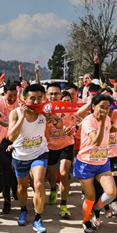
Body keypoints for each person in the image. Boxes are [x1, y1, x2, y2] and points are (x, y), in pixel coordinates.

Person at [8, 84, 62, 233]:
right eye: (33, 98)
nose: (36, 101)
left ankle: (38, 218)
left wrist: (53, 120)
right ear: (25, 98)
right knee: (22, 187)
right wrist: (22, 117)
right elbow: (11, 136)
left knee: (38, 184)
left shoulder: (45, 111)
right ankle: (23, 210)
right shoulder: (16, 113)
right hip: (20, 156)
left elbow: (60, 125)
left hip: (40, 153)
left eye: (40, 98)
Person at [74, 94, 117, 233]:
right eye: (101, 107)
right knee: (90, 197)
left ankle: (97, 208)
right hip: (86, 164)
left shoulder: (107, 119)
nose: (105, 111)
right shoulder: (88, 121)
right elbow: (96, 141)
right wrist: (101, 123)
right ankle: (86, 221)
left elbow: (110, 128)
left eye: (107, 108)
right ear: (93, 107)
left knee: (111, 192)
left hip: (102, 163)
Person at [45, 83, 76, 218]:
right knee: (52, 176)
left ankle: (63, 205)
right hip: (50, 146)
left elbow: (80, 120)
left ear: (60, 94)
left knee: (63, 173)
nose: (53, 96)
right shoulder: (42, 109)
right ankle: (53, 189)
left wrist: (74, 128)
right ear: (47, 95)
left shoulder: (68, 107)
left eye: (56, 93)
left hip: (66, 144)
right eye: (51, 94)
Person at [0, 83, 19, 214]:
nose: (12, 98)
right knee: (6, 169)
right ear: (4, 94)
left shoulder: (20, 103)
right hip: (2, 141)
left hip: (18, 140)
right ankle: (7, 200)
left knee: (16, 170)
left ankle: (15, 188)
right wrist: (5, 124)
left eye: (15, 95)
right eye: (9, 96)